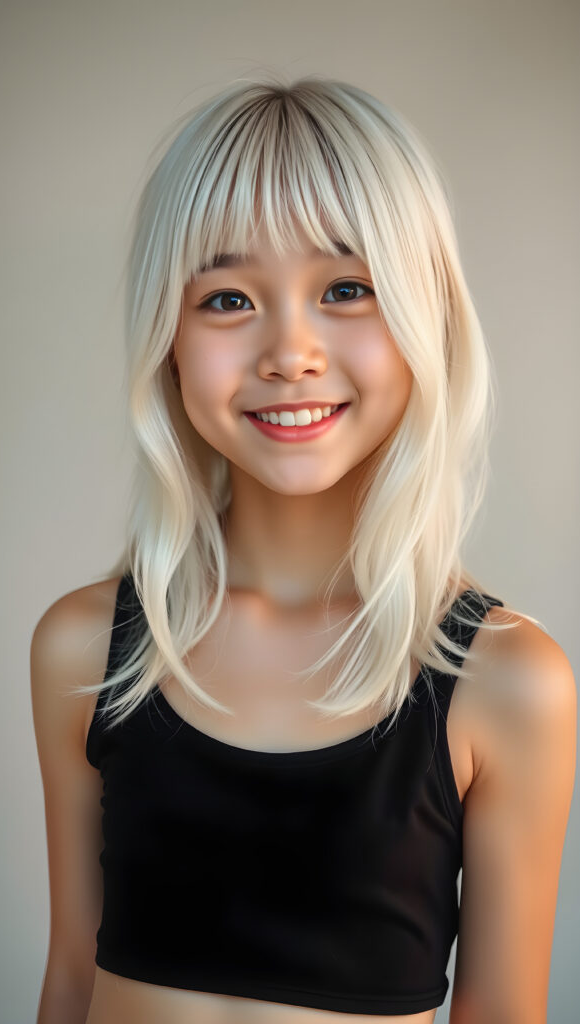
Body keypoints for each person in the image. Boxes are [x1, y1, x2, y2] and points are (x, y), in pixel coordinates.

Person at [30, 76, 576, 1024]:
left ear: (426, 318)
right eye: (228, 298)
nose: (290, 350)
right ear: (167, 336)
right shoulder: (83, 650)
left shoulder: (508, 682)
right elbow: (70, 980)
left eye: (346, 289)